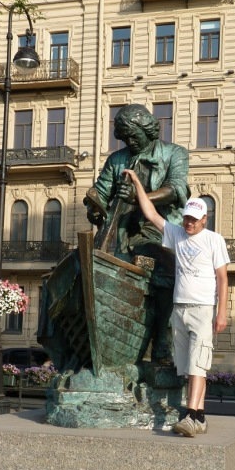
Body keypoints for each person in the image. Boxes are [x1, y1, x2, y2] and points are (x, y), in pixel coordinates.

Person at [124, 169, 230, 437]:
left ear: (204, 219)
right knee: (188, 366)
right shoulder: (177, 234)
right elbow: (151, 214)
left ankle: (191, 416)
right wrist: (137, 182)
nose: (189, 223)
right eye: (186, 218)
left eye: (193, 219)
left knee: (198, 363)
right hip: (180, 308)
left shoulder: (214, 240)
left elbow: (222, 278)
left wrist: (222, 312)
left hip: (202, 309)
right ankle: (200, 417)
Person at [84, 104, 190, 363]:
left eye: (133, 136)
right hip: (120, 232)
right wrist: (95, 207)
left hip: (159, 229)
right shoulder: (117, 160)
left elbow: (176, 189)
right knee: (86, 269)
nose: (129, 142)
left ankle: (161, 340)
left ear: (148, 129)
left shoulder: (174, 154)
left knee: (165, 270)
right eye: (124, 138)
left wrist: (139, 196)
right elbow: (101, 191)